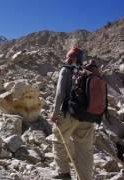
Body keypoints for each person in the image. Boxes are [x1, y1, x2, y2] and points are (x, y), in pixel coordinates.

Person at [50, 47, 95, 180]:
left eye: (68, 56)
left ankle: (64, 174)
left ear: (72, 58)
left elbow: (60, 94)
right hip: (87, 117)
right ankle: (85, 177)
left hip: (69, 114)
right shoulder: (87, 72)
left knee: (58, 140)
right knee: (84, 150)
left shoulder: (66, 69)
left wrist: (55, 113)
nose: (66, 58)